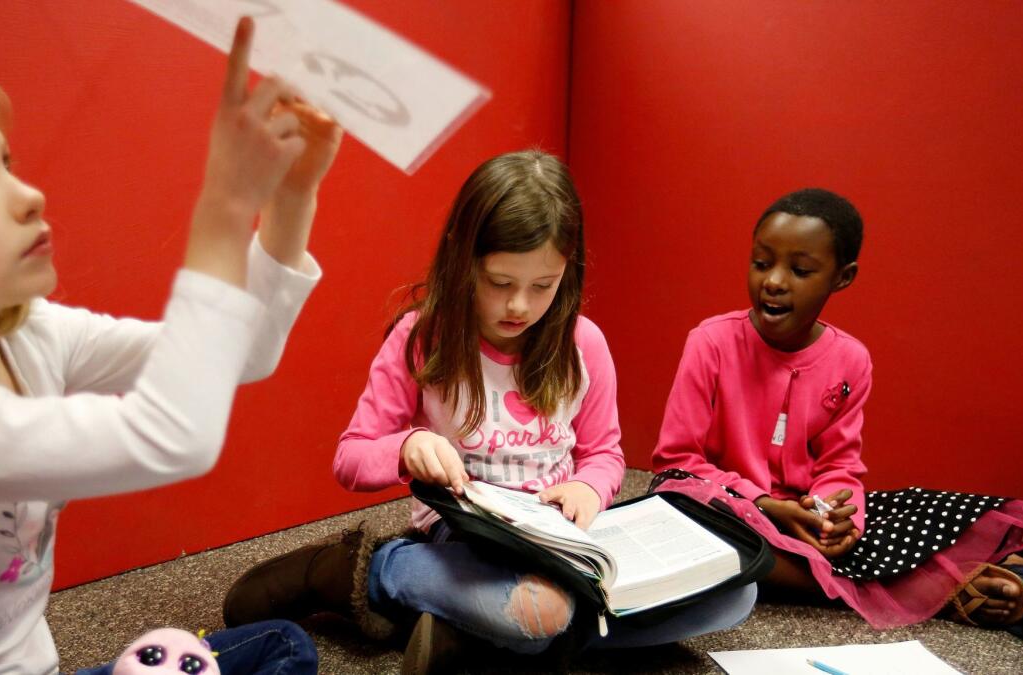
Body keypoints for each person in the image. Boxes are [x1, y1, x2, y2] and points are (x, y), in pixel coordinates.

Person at [0, 17, 339, 674]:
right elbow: (171, 435)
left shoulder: (30, 333)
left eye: (5, 163)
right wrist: (224, 202)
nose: (29, 195)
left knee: (281, 648)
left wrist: (290, 194)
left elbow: (244, 354)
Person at [222, 150, 757, 673]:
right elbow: (351, 457)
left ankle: (482, 638)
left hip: (563, 544)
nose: (519, 305)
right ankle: (370, 572)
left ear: (567, 271)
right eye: (500, 283)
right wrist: (408, 447)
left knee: (734, 594)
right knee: (542, 612)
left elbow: (604, 454)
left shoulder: (584, 345)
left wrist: (589, 489)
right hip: (465, 538)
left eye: (542, 286)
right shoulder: (422, 338)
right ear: (463, 259)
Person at [650, 188, 1023, 642]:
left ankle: (989, 577)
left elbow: (840, 465)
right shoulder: (710, 343)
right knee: (686, 516)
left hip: (806, 518)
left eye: (800, 270)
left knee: (945, 515)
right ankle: (940, 589)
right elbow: (676, 461)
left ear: (842, 276)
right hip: (731, 508)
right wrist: (763, 504)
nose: (774, 281)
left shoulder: (851, 359)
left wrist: (837, 516)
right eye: (761, 263)